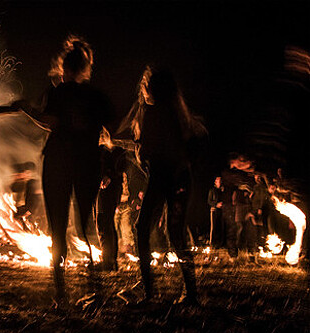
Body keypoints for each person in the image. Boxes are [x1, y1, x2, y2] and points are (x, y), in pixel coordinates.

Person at [17, 36, 115, 301]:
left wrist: (26, 110)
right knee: (86, 224)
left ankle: (60, 289)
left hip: (59, 162)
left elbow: (50, 122)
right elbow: (110, 131)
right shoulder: (97, 97)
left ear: (65, 69)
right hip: (88, 163)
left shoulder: (58, 92)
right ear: (85, 69)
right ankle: (95, 286)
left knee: (58, 225)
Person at [131, 66, 206, 305]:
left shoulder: (152, 114)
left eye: (148, 86)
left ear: (154, 89)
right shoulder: (181, 114)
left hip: (163, 177)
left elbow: (148, 154)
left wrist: (139, 150)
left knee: (142, 229)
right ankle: (191, 293)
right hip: (181, 178)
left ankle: (149, 291)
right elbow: (191, 147)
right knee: (177, 235)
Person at [97, 128, 127, 271]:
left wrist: (109, 175)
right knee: (103, 222)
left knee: (105, 222)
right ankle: (108, 260)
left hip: (110, 191)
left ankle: (109, 261)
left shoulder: (116, 151)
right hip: (102, 191)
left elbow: (120, 169)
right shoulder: (101, 151)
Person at [207, 176, 224, 248]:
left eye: (220, 181)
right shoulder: (212, 190)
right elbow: (209, 201)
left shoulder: (222, 190)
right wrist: (216, 204)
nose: (219, 182)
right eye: (218, 181)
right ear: (215, 182)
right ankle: (212, 243)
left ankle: (220, 243)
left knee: (221, 227)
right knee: (213, 227)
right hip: (214, 210)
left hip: (221, 211)